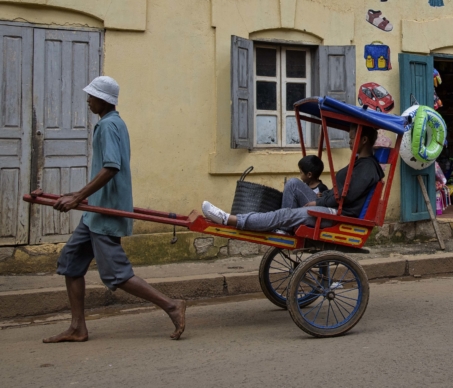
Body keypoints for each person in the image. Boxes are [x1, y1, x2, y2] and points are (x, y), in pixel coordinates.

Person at [39, 76, 186, 343]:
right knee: (71, 262)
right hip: (94, 212)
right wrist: (76, 195)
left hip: (106, 212)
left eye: (91, 96)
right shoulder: (111, 123)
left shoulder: (109, 126)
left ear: (103, 100)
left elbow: (111, 167)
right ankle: (77, 327)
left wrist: (79, 197)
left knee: (116, 274)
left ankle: (172, 305)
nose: (88, 100)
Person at [202, 125, 383, 231]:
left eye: (352, 138)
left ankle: (231, 219)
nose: (349, 141)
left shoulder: (367, 167)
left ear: (364, 140)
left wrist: (319, 202)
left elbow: (347, 195)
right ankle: (284, 227)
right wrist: (324, 196)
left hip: (338, 214)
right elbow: (342, 191)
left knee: (285, 214)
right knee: (294, 183)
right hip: (331, 204)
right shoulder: (360, 163)